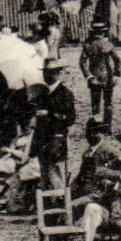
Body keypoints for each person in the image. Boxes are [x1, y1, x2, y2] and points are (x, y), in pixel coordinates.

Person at [34, 58, 76, 192]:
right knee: (43, 171)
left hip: (56, 138)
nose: (47, 76)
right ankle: (46, 203)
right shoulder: (42, 93)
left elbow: (70, 118)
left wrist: (49, 114)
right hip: (42, 138)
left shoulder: (65, 93)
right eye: (45, 73)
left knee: (55, 171)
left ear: (58, 73)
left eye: (51, 73)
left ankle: (59, 200)